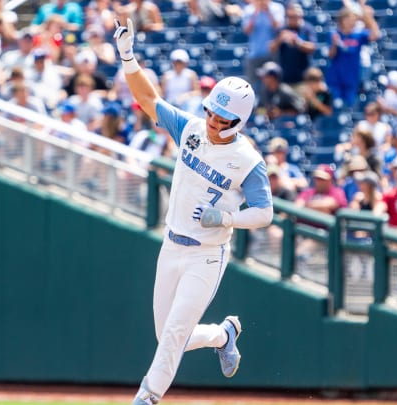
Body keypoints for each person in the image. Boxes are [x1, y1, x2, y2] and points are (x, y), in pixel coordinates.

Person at [113, 18, 274, 405]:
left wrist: (230, 218)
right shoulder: (192, 128)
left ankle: (148, 397)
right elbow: (149, 99)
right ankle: (223, 335)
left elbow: (264, 212)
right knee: (168, 335)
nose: (214, 122)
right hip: (171, 246)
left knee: (173, 335)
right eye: (211, 113)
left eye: (224, 119)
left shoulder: (246, 159)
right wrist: (127, 56)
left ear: (241, 121)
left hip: (206, 253)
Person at [325, 4, 380, 108]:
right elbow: (330, 55)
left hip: (352, 78)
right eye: (349, 20)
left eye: (354, 20)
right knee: (335, 106)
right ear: (342, 20)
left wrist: (369, 17)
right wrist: (334, 44)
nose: (352, 23)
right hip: (335, 78)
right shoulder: (334, 34)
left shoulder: (358, 35)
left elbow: (375, 35)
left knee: (349, 107)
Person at [269, 2, 317, 87]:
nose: (293, 19)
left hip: (303, 78)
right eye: (290, 16)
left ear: (301, 15)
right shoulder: (282, 29)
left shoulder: (307, 28)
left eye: (296, 16)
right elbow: (271, 48)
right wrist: (280, 39)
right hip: (285, 78)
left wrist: (297, 42)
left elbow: (312, 48)